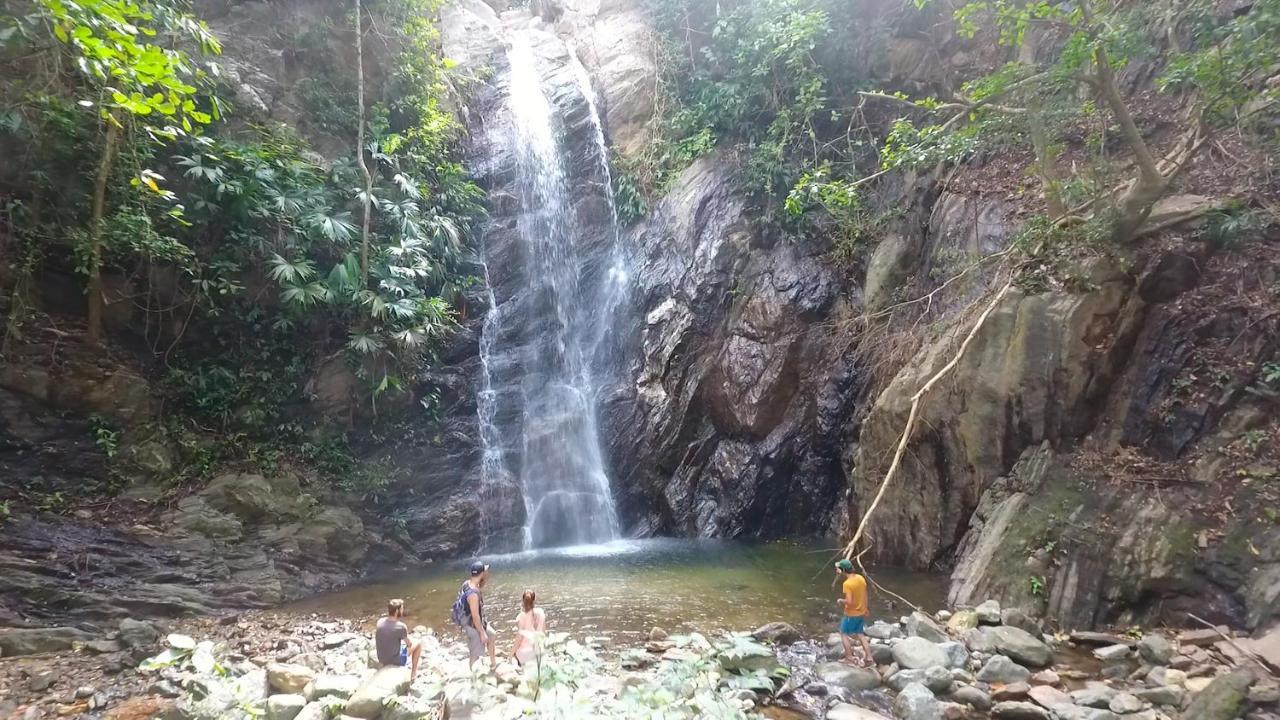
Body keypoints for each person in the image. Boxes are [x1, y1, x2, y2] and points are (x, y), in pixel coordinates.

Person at [451, 560, 496, 671]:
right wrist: (481, 633)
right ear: (481, 573)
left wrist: (484, 578)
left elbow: (479, 586)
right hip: (473, 626)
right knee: (475, 653)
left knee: (492, 634)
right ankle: (473, 677)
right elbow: (475, 616)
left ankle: (493, 664)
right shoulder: (473, 595)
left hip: (470, 622)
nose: (486, 572)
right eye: (484, 571)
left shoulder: (467, 583)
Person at [835, 558, 872, 667]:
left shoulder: (847, 584)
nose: (837, 570)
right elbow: (865, 595)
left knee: (843, 634)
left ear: (843, 570)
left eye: (838, 569)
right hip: (861, 612)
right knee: (860, 634)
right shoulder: (860, 578)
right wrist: (865, 608)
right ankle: (869, 658)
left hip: (851, 614)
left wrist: (841, 600)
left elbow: (849, 602)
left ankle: (849, 658)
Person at [375, 598, 423, 679]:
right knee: (418, 644)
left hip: (381, 659)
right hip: (395, 662)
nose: (402, 610)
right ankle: (413, 674)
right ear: (397, 611)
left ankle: (384, 665)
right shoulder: (401, 626)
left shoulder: (380, 621)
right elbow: (409, 644)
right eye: (401, 608)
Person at [512, 589, 546, 667]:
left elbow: (519, 638)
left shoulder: (521, 616)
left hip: (525, 653)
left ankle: (520, 665)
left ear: (523, 601)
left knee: (515, 652)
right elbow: (543, 634)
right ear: (534, 601)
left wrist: (511, 654)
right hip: (539, 652)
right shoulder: (541, 612)